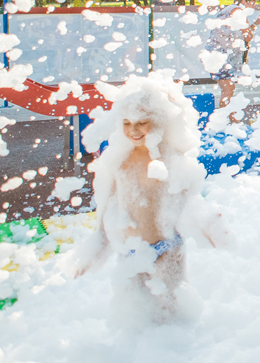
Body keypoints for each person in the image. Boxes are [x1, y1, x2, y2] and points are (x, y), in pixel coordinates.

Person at [73, 75, 228, 324]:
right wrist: (94, 250)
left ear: (159, 121)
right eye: (126, 123)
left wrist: (208, 223)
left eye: (142, 123)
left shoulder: (170, 158)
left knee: (171, 310)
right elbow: (110, 208)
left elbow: (188, 201)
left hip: (166, 248)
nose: (133, 130)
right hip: (130, 250)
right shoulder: (119, 161)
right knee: (134, 314)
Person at [204, 0, 260, 118]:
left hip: (215, 55)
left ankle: (229, 119)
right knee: (228, 89)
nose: (254, 6)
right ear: (244, 1)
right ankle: (226, 119)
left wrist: (257, 22)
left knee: (229, 88)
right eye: (252, 3)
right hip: (219, 56)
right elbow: (248, 36)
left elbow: (245, 34)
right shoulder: (238, 12)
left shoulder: (228, 10)